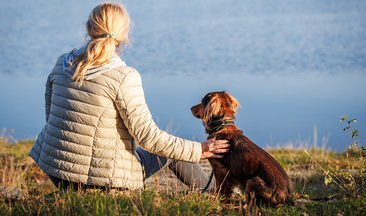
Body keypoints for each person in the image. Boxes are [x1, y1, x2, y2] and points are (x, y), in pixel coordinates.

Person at [29, 2, 229, 191]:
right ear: (124, 35)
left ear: (89, 28)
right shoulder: (124, 77)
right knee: (178, 152)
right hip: (103, 181)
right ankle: (218, 195)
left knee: (173, 148)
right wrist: (199, 149)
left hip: (57, 172)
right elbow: (148, 138)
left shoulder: (62, 63)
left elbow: (52, 118)